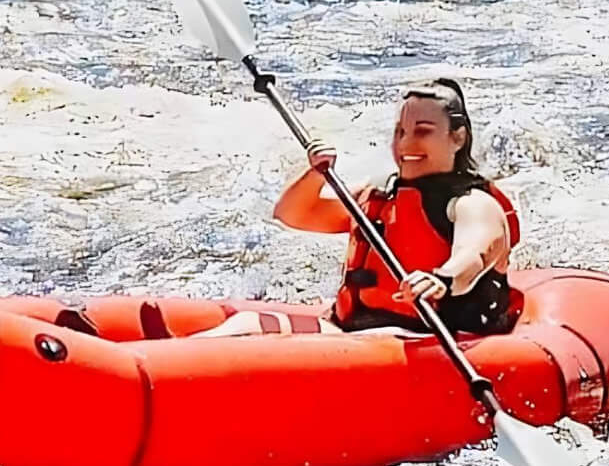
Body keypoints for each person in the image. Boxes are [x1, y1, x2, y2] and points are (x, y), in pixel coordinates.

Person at [202, 79, 521, 337]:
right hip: (354, 331)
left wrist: (442, 280)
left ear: (458, 138)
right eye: (400, 132)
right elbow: (294, 214)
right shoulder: (381, 193)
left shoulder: (474, 204)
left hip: (428, 340)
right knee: (244, 325)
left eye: (423, 131)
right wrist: (314, 174)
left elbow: (475, 253)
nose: (406, 144)